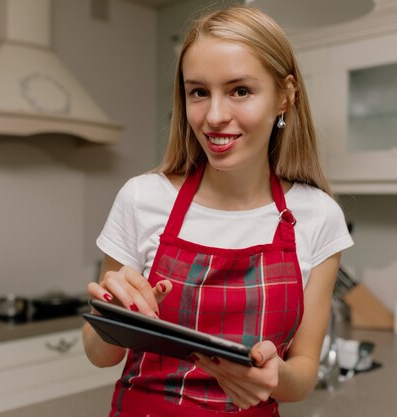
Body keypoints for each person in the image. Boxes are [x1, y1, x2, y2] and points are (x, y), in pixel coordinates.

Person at [82, 5, 353, 417]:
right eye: (199, 92)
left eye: (240, 90)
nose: (213, 116)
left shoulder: (319, 216)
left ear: (285, 96)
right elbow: (100, 355)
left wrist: (273, 375)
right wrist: (118, 317)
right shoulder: (142, 199)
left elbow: (303, 374)